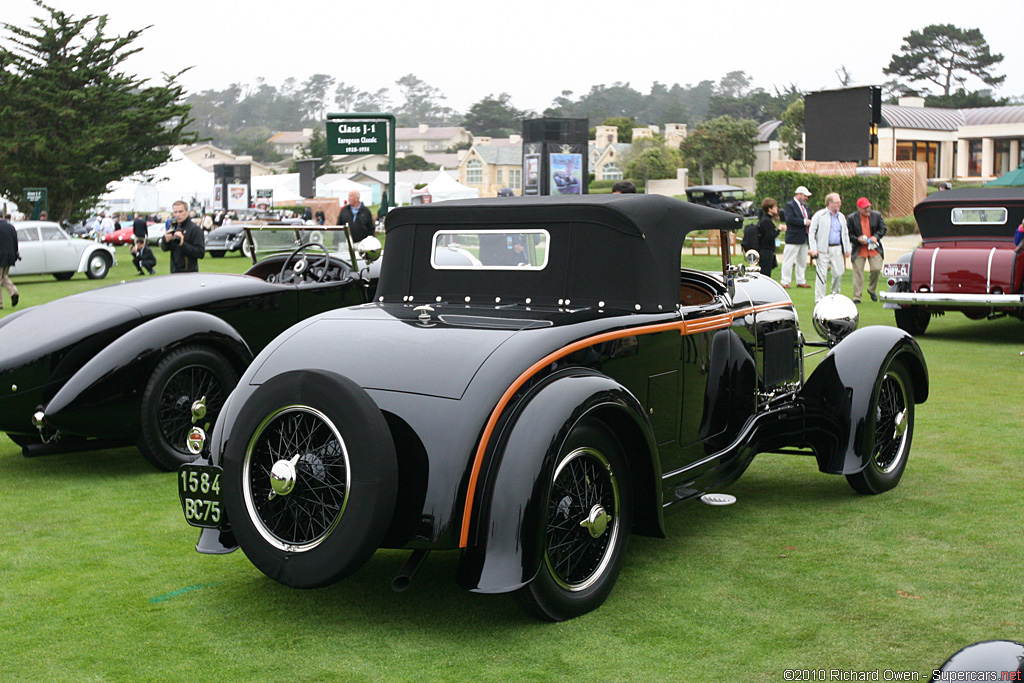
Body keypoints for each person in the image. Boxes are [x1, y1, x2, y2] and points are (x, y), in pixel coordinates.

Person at [808, 192, 851, 302]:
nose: (840, 204)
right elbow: (812, 232)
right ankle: (819, 299)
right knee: (822, 275)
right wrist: (813, 248)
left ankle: (835, 295)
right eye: (837, 202)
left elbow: (845, 233)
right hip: (822, 249)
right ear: (830, 203)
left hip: (837, 248)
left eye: (840, 202)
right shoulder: (819, 215)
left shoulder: (841, 217)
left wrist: (847, 249)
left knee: (838, 273)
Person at [846, 197, 887, 303]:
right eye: (864, 208)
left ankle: (871, 289)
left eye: (868, 207)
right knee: (858, 273)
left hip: (874, 248)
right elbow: (848, 234)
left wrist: (876, 236)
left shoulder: (877, 215)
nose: (867, 209)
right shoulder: (851, 218)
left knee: (876, 269)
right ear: (858, 208)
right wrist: (857, 239)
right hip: (859, 249)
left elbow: (883, 229)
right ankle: (857, 297)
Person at [780, 186, 813, 289]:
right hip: (793, 237)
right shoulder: (790, 206)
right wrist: (804, 222)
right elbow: (789, 219)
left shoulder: (806, 207)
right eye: (805, 196)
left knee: (802, 261)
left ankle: (801, 280)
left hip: (804, 237)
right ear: (799, 194)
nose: (806, 198)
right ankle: (785, 281)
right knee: (789, 260)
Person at [159, 200, 205, 273]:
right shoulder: (174, 227)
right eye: (175, 212)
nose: (177, 215)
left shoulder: (194, 229)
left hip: (189, 273)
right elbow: (164, 248)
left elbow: (200, 253)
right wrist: (166, 240)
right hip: (174, 272)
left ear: (187, 212)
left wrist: (183, 244)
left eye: (180, 212)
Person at [752, 198, 780, 278]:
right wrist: (779, 230)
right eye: (775, 207)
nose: (777, 208)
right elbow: (769, 237)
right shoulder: (766, 221)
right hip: (766, 250)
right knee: (765, 274)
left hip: (767, 250)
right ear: (769, 209)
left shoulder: (766, 220)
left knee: (767, 271)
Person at [0, 215, 19, 309]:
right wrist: (15, 254)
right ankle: (13, 292)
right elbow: (15, 242)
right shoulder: (10, 227)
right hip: (9, 255)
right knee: (4, 277)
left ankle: (0, 303)